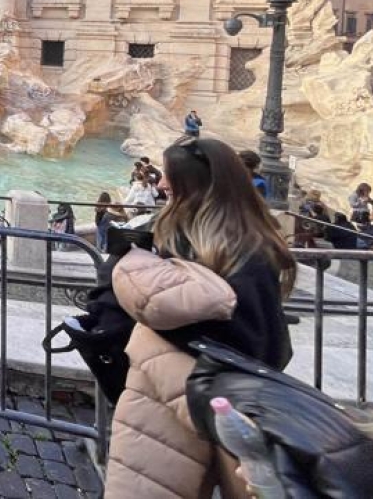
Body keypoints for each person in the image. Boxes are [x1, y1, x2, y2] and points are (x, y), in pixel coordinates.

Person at [103, 135, 295, 498]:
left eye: (169, 177)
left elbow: (165, 314)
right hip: (228, 397)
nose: (161, 183)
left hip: (171, 395)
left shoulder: (192, 242)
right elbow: (268, 341)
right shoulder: (257, 243)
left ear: (194, 185)